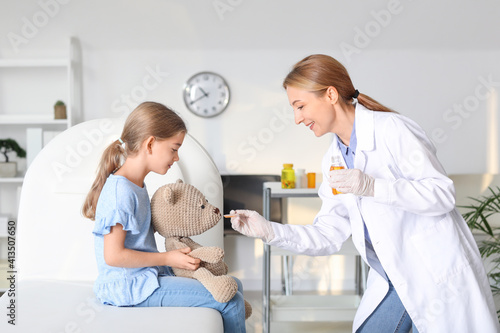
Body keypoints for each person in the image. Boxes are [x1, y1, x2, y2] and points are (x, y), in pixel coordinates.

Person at [230, 55, 500, 333]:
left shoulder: (392, 130)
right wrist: (269, 231)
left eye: (300, 106)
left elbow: (442, 194)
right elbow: (328, 234)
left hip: (432, 276)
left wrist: (373, 187)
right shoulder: (334, 158)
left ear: (331, 94)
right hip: (390, 278)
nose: (297, 119)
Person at [82, 101, 246, 333]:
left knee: (234, 284)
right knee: (231, 301)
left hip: (144, 277)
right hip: (128, 286)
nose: (177, 157)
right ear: (150, 144)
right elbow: (114, 256)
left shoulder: (135, 184)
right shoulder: (121, 192)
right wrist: (168, 259)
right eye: (174, 148)